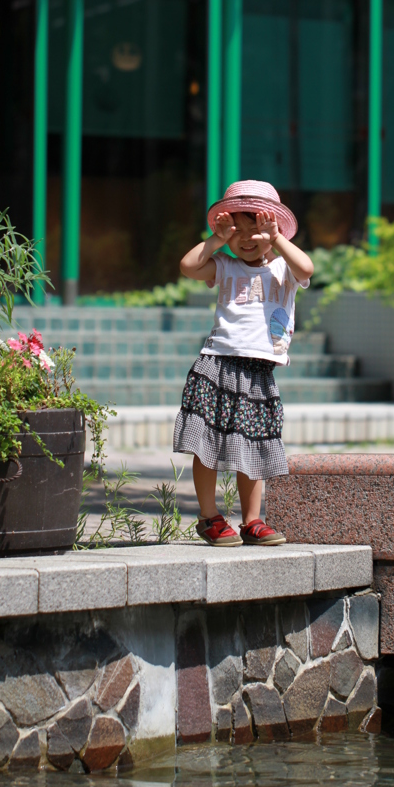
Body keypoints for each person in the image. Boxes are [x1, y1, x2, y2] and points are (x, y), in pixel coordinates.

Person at [174, 180, 314, 546]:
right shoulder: (224, 265)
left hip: (259, 371)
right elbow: (188, 267)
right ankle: (209, 517)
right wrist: (215, 241)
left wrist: (277, 238)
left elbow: (307, 268)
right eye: (237, 230)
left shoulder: (284, 269)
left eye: (258, 230)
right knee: (207, 443)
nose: (248, 238)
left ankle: (252, 520)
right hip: (217, 365)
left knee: (253, 445)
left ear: (276, 231)